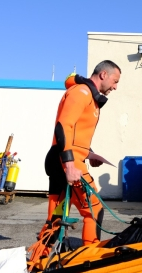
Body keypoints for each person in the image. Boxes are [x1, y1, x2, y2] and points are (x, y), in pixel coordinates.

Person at [42, 60, 121, 246]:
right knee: (94, 209)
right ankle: (89, 259)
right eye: (115, 81)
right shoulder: (82, 93)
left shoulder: (88, 96)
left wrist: (89, 153)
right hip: (68, 161)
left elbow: (75, 132)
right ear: (103, 75)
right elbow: (63, 126)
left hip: (65, 158)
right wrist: (69, 165)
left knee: (57, 215)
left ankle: (42, 259)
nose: (115, 87)